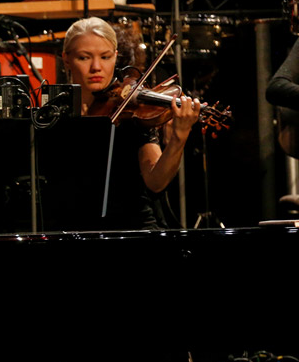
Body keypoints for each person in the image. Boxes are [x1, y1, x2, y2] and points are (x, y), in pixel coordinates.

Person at [61, 16, 201, 229]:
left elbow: (156, 182)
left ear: (116, 57)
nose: (96, 67)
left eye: (105, 57)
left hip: (132, 229)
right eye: (84, 58)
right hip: (73, 229)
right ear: (66, 59)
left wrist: (179, 138)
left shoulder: (132, 114)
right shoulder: (57, 113)